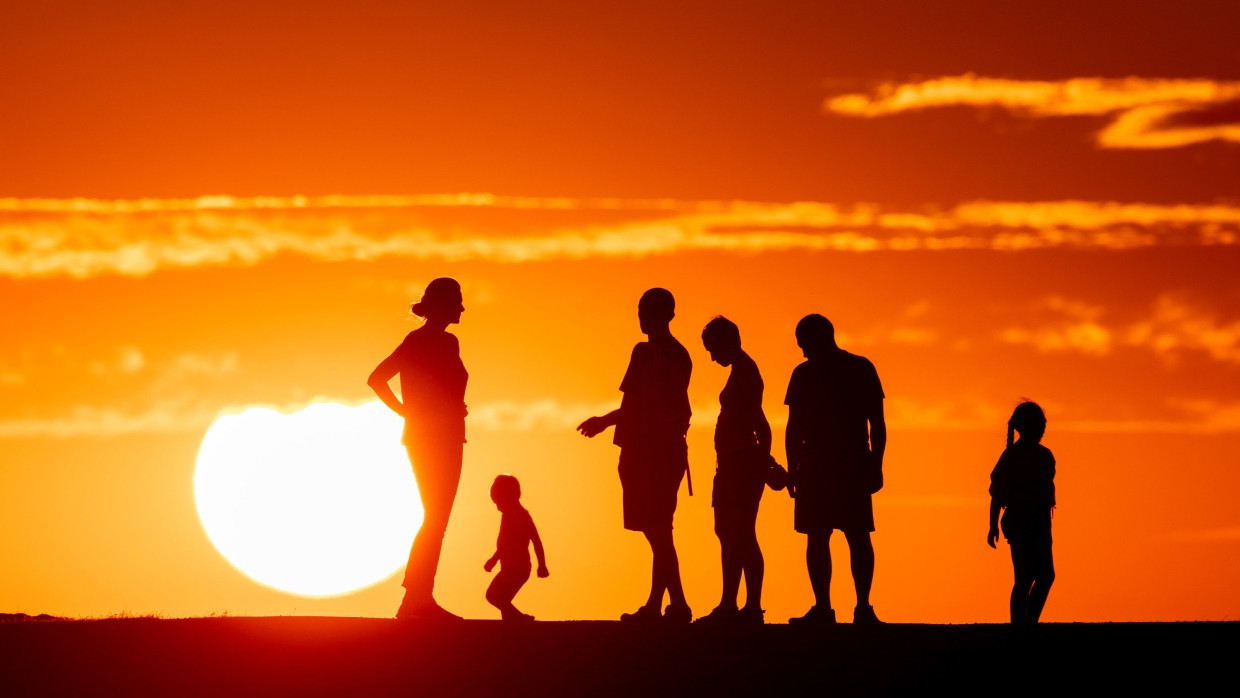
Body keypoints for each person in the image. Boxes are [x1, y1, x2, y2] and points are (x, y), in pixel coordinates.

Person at [577, 288, 694, 623]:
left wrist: (604, 422)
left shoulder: (647, 353)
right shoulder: (678, 354)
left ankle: (678, 604)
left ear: (668, 315)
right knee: (659, 530)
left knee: (657, 530)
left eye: (649, 312)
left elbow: (635, 404)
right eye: (641, 311)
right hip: (659, 449)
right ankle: (658, 606)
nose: (643, 318)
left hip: (651, 450)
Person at [368, 277, 469, 622]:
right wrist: (407, 412)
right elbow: (377, 378)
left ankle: (419, 598)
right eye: (457, 301)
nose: (462, 308)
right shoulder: (418, 340)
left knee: (437, 519)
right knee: (435, 517)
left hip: (451, 437)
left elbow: (445, 389)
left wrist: (455, 406)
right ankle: (416, 600)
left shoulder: (450, 343)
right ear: (442, 304)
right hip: (428, 438)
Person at [784, 314, 886, 625]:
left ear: (817, 340)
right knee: (840, 536)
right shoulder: (859, 368)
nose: (802, 351)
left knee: (840, 536)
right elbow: (878, 425)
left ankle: (846, 607)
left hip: (834, 464)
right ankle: (843, 608)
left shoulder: (813, 373)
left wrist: (876, 465)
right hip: (837, 464)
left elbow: (793, 428)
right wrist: (876, 464)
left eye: (804, 345)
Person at [696, 317, 771, 624]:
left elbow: (755, 425)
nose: (713, 357)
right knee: (728, 533)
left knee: (740, 534)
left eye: (713, 349)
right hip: (733, 462)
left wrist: (760, 465)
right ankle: (733, 603)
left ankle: (747, 606)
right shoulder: (743, 372)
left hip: (740, 463)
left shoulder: (746, 373)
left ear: (727, 341)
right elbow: (763, 424)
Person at [987, 401, 1056, 625]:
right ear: (1026, 427)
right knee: (1024, 578)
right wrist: (992, 525)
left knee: (1045, 576)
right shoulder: (1011, 456)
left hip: (1041, 522)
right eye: (1039, 424)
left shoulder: (1046, 456)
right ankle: (1020, 627)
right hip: (1020, 522)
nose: (1043, 428)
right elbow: (997, 494)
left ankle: (1028, 623)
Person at [484, 474, 549, 622]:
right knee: (503, 599)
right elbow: (507, 543)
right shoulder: (519, 515)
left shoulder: (515, 516)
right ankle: (512, 625)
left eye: (498, 502)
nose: (497, 507)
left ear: (508, 496)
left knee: (493, 596)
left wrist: (542, 565)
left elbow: (534, 540)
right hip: (516, 568)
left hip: (515, 569)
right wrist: (541, 565)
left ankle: (520, 619)